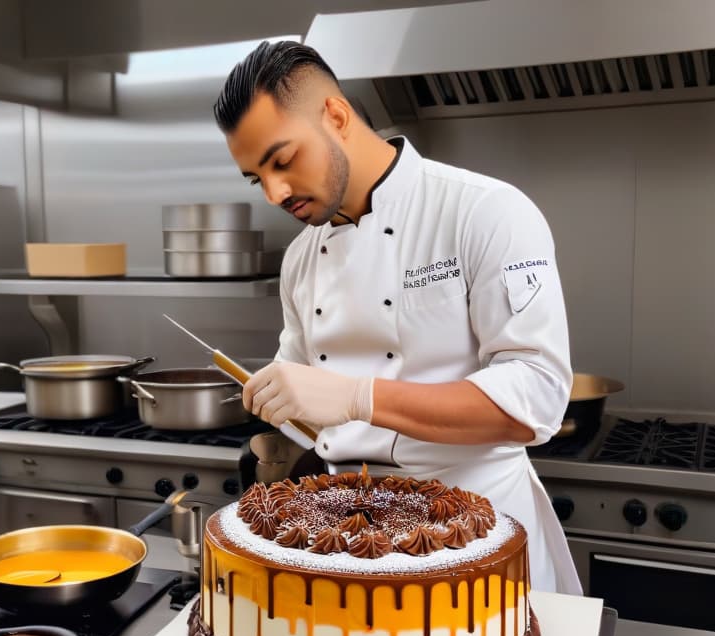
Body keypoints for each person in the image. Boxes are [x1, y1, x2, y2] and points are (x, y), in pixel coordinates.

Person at [213, 41, 581, 595]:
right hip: (347, 539)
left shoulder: (484, 212)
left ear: (335, 116)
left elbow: (538, 398)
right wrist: (278, 417)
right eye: (255, 178)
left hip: (479, 535)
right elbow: (308, 400)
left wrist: (361, 397)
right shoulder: (300, 259)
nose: (274, 192)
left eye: (282, 161)